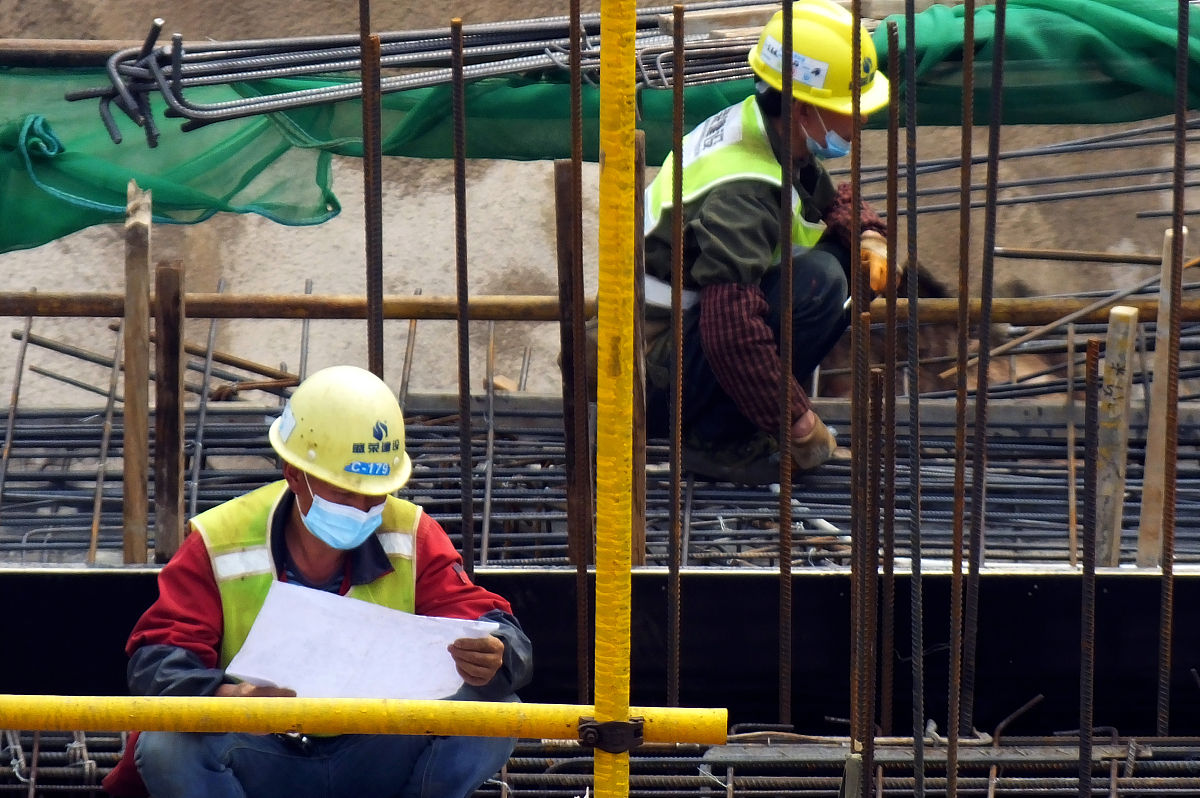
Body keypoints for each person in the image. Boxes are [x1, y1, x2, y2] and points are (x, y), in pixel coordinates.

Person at [101, 365, 533, 798]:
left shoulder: (412, 535)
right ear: (294, 475)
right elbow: (157, 662)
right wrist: (229, 696)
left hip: (376, 749)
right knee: (167, 744)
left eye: (376, 492)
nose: (364, 507)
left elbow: (494, 629)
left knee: (491, 717)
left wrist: (497, 656)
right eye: (345, 492)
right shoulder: (222, 540)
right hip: (261, 754)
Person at [642, 0, 895, 485]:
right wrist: (799, 425)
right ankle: (719, 440)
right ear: (805, 108)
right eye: (850, 110)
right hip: (654, 376)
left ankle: (743, 413)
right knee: (821, 282)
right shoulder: (744, 191)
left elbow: (827, 199)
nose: (860, 122)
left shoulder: (772, 133)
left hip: (678, 344)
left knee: (847, 259)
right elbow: (730, 333)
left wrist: (868, 233)